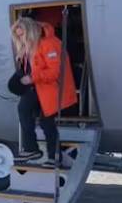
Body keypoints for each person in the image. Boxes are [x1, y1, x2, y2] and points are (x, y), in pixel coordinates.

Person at [10, 16, 77, 165]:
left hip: (52, 90)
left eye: (22, 34)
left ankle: (51, 156)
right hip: (40, 89)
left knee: (46, 122)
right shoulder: (30, 47)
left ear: (30, 31)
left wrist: (32, 78)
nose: (21, 38)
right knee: (27, 111)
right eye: (18, 36)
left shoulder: (49, 44)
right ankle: (34, 150)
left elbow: (54, 72)